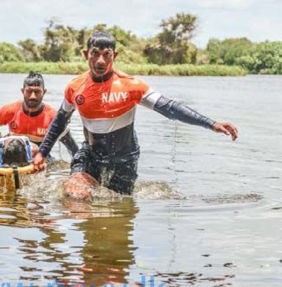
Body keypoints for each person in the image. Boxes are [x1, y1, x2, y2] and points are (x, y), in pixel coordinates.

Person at [33, 31, 239, 199]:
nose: (101, 60)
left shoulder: (132, 86)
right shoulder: (75, 87)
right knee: (75, 194)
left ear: (115, 56)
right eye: (95, 53)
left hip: (124, 159)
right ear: (86, 54)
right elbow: (60, 121)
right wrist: (42, 153)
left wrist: (211, 123)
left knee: (117, 207)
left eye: (107, 54)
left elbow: (170, 108)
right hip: (91, 154)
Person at [0, 71, 79, 158]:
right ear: (22, 91)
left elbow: (73, 148)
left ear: (44, 92)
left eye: (37, 92)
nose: (33, 96)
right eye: (29, 91)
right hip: (14, 155)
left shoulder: (54, 117)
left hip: (41, 159)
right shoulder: (10, 110)